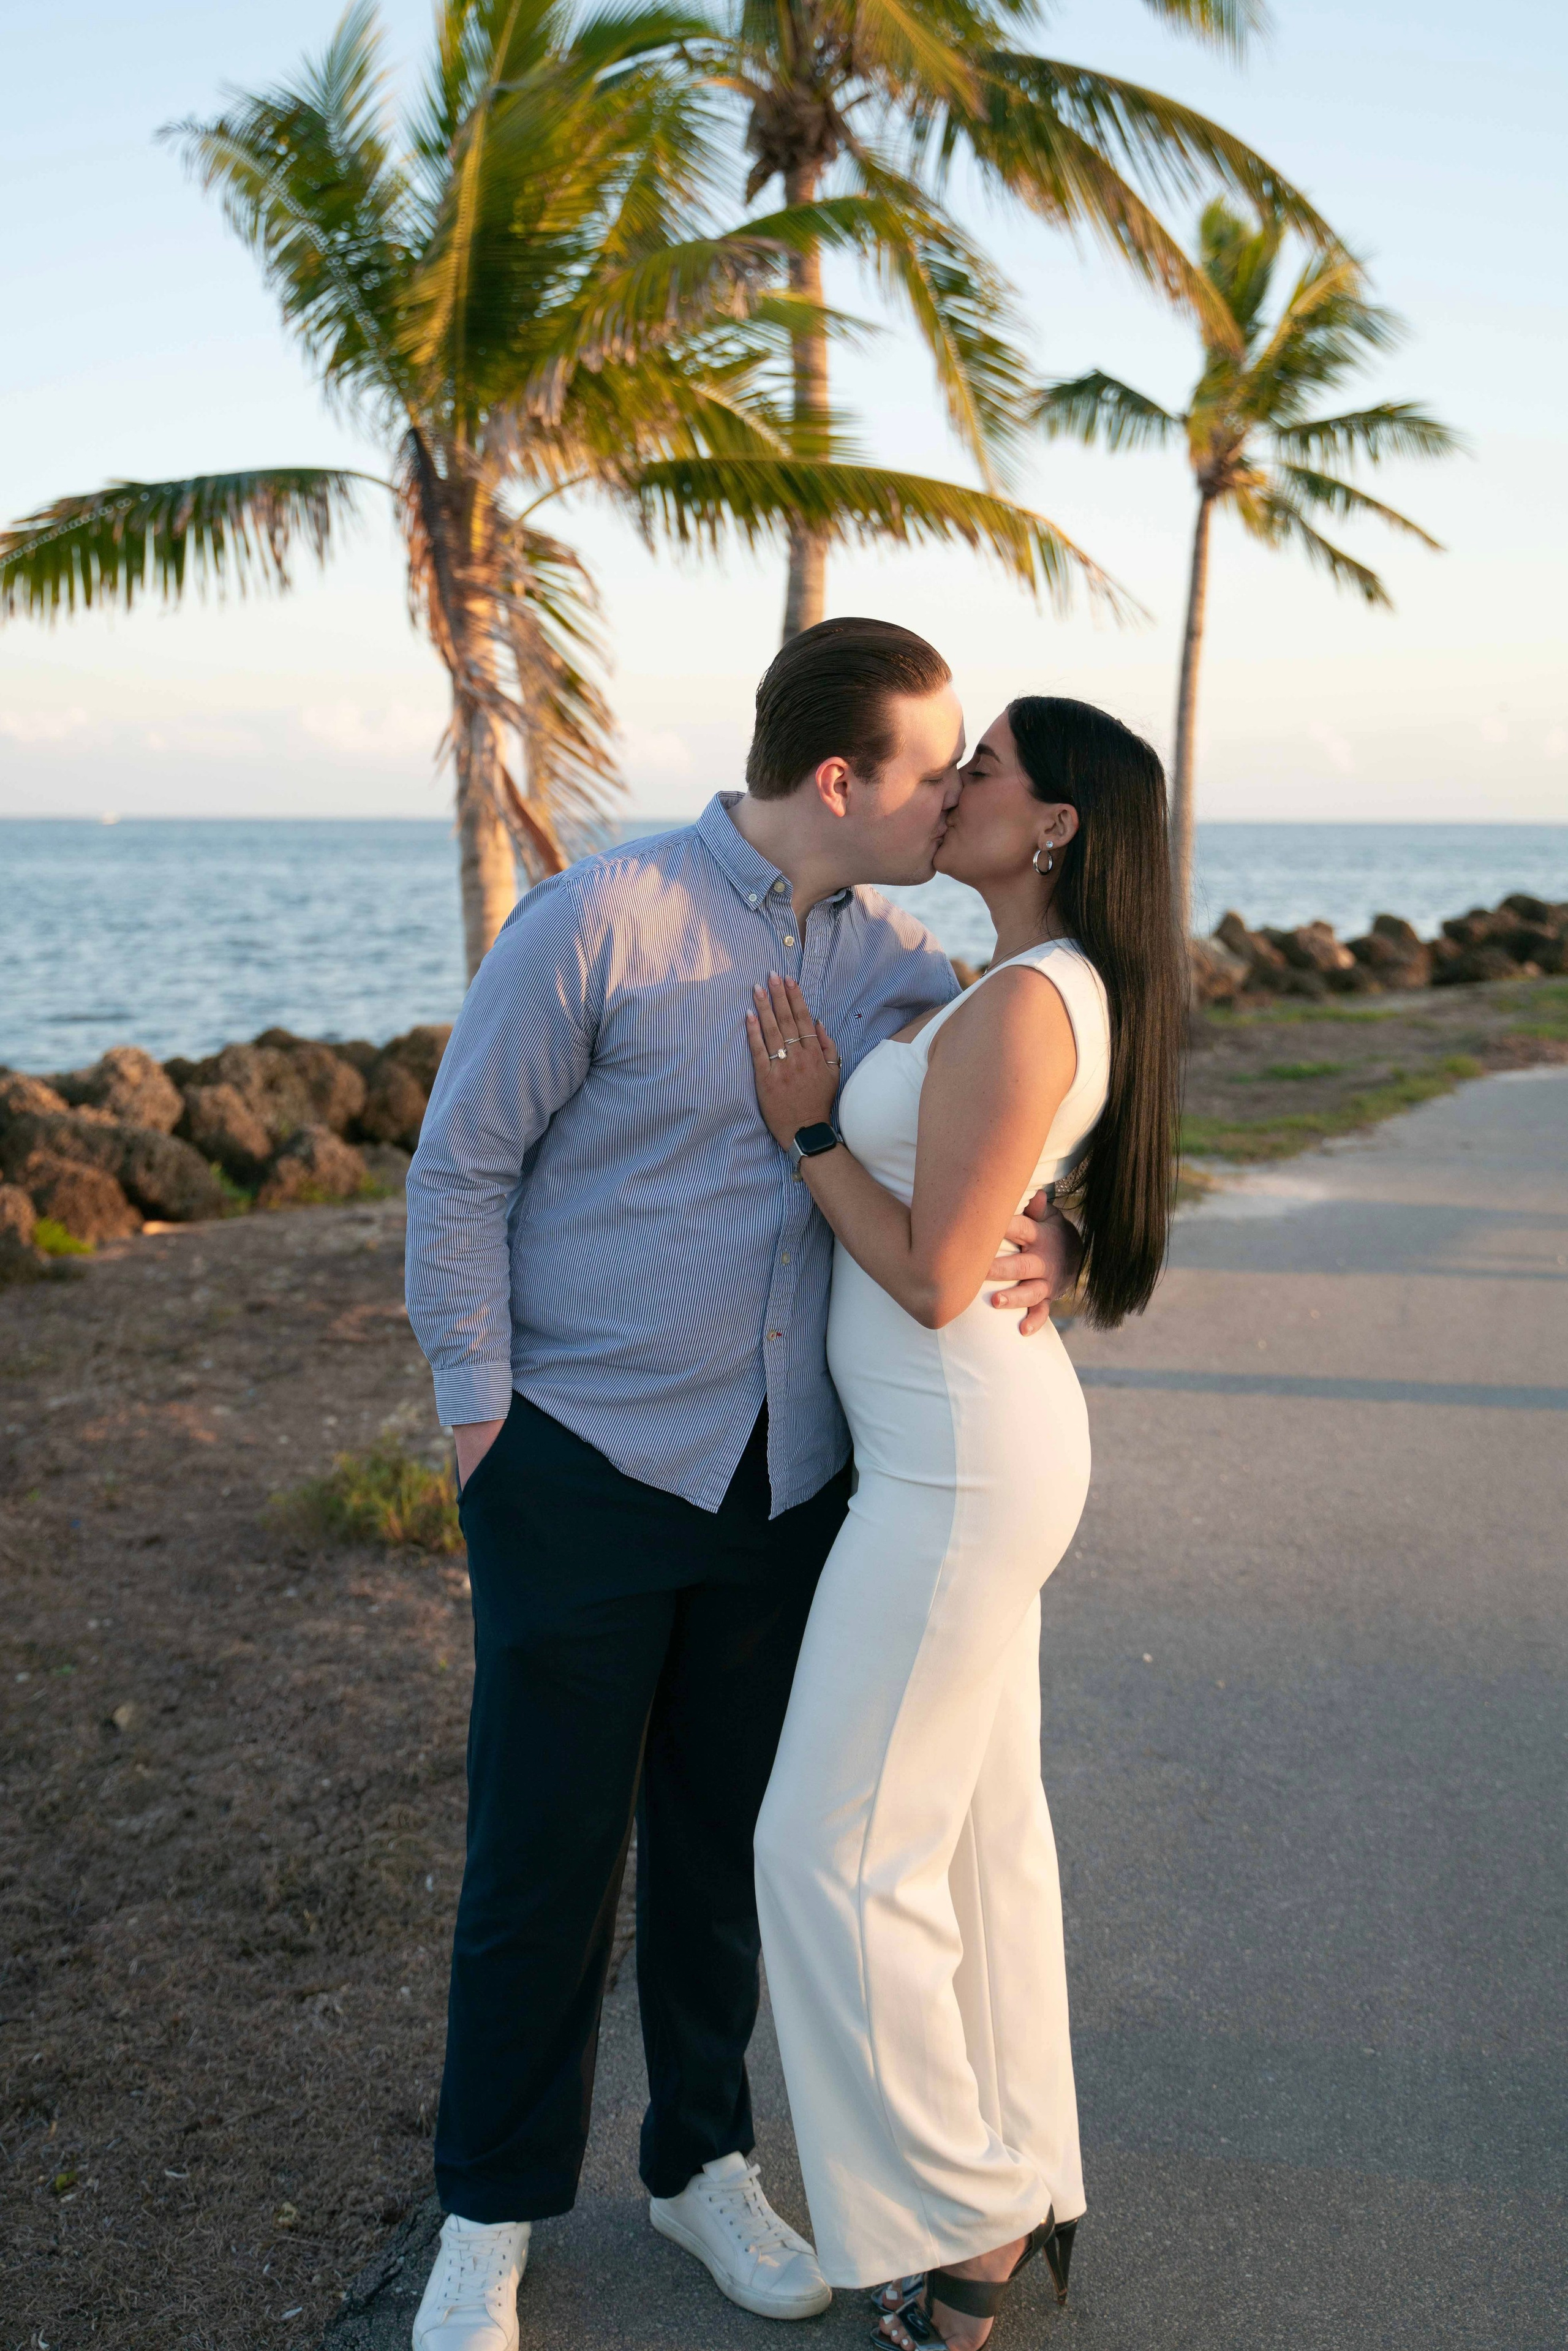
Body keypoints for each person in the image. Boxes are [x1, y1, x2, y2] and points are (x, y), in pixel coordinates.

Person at [402, 621, 1081, 2351]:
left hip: (793, 1489)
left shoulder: (908, 966)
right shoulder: (598, 922)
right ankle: (489, 2214)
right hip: (582, 1466)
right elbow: (460, 1173)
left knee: (725, 1860)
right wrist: (486, 1437)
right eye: (935, 767)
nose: (955, 794)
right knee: (543, 1858)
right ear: (840, 781)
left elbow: (994, 1135)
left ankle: (700, 2164)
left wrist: (1060, 1236)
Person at [748, 696, 1185, 2351]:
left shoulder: (1027, 1001)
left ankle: (966, 2209)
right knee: (981, 1844)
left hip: (954, 1472)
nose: (953, 787)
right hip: (959, 1458)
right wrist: (1058, 1228)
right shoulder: (1022, 986)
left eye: (984, 767)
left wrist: (807, 1129)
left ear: (1056, 824)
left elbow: (936, 1279)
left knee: (830, 1849)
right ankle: (1014, 2183)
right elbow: (1005, 1203)